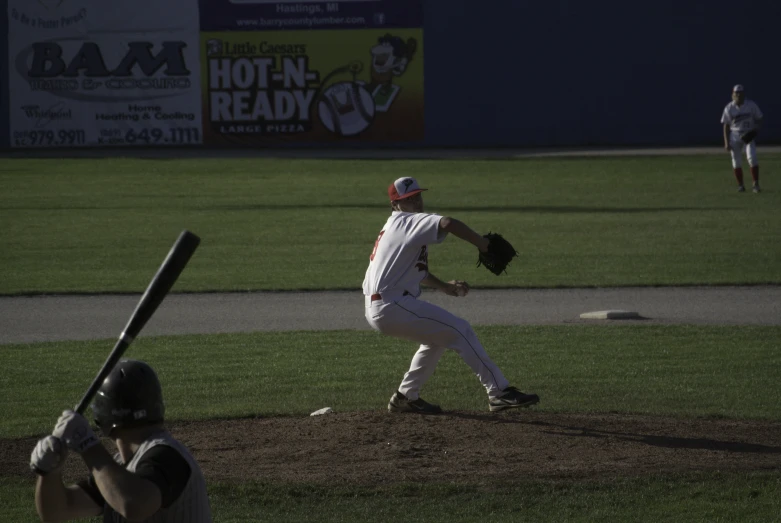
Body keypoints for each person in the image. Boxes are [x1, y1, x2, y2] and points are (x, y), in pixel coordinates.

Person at [362, 177, 540, 414]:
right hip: (391, 306)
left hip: (384, 305)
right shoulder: (406, 221)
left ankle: (406, 396)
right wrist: (482, 244)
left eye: (417, 196)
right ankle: (499, 392)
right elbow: (447, 222)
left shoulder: (394, 228)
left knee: (438, 338)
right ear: (395, 204)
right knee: (459, 329)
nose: (415, 202)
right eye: (408, 199)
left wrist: (444, 287)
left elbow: (416, 272)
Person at [30, 359, 213, 522]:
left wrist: (87, 444)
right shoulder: (117, 469)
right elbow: (57, 511)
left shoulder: (168, 457)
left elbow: (133, 505)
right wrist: (49, 473)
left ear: (102, 416)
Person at [721, 84, 764, 193]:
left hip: (748, 134)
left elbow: (759, 118)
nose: (738, 95)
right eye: (736, 93)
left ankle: (756, 184)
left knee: (752, 158)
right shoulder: (729, 107)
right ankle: (741, 185)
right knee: (736, 161)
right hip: (735, 135)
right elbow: (726, 125)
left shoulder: (751, 105)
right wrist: (726, 142)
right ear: (733, 94)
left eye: (740, 93)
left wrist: (755, 130)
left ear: (744, 94)